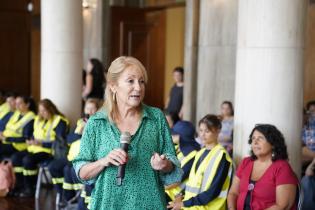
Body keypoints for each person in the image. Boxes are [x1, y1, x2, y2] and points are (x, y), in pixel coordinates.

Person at [73, 56, 182, 210]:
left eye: (141, 81)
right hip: (108, 205)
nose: (138, 87)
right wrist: (103, 161)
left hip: (150, 205)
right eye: (131, 81)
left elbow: (173, 165)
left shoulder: (156, 118)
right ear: (113, 86)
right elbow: (82, 172)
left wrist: (165, 164)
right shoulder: (96, 123)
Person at [168, 114, 233, 210]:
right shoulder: (200, 153)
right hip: (193, 207)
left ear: (218, 131)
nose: (202, 134)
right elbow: (193, 183)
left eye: (207, 131)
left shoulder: (221, 157)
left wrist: (184, 204)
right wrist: (179, 197)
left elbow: (213, 191)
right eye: (201, 130)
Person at [227, 124, 298, 210]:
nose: (255, 142)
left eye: (260, 138)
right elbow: (233, 193)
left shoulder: (282, 167)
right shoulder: (246, 162)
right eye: (253, 139)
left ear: (273, 143)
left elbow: (282, 206)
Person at [48, 98, 100, 209]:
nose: (89, 111)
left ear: (98, 110)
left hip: (86, 159)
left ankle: (72, 198)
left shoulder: (100, 123)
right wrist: (79, 133)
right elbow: (68, 139)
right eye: (87, 108)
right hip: (71, 157)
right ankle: (61, 194)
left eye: (92, 108)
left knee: (69, 170)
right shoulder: (80, 123)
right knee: (53, 167)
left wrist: (87, 132)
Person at [11, 98, 69, 197]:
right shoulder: (38, 119)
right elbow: (35, 134)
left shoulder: (59, 121)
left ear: (51, 109)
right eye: (40, 111)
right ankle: (20, 186)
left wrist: (42, 144)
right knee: (16, 157)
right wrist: (31, 140)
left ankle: (30, 188)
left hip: (49, 151)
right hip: (34, 148)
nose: (42, 113)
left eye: (44, 110)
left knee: (27, 160)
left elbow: (60, 143)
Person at [166, 120, 200, 201]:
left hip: (174, 197)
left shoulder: (193, 155)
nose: (171, 135)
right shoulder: (179, 148)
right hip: (167, 192)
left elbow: (176, 180)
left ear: (182, 136)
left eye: (175, 134)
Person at [0, 95, 36, 160]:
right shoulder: (17, 113)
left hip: (18, 145)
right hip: (6, 141)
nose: (17, 106)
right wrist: (2, 133)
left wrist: (7, 138)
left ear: (27, 105)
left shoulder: (31, 118)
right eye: (16, 103)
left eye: (20, 103)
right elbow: (8, 127)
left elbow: (26, 138)